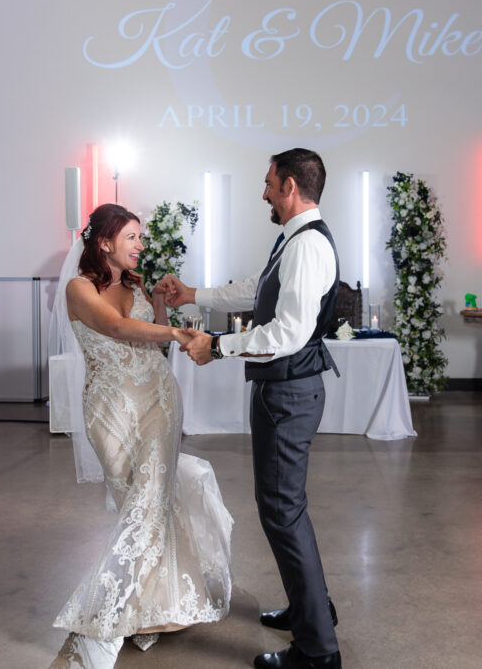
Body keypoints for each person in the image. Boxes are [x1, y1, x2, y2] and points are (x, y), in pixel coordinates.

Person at [156, 148, 342, 669]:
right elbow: (257, 291)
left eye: (267, 183)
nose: (262, 192)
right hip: (282, 391)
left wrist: (216, 346)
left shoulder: (307, 246)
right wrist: (195, 293)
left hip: (288, 394)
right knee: (286, 512)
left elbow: (287, 333)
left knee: (283, 514)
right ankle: (314, 611)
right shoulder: (296, 239)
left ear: (288, 186)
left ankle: (318, 651)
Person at [49, 203, 234, 668]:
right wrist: (175, 330)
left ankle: (117, 614)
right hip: (110, 412)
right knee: (135, 499)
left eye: (141, 237)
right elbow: (112, 326)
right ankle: (148, 604)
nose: (140, 245)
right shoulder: (78, 288)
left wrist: (159, 301)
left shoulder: (134, 285)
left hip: (157, 402)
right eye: (132, 236)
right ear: (105, 242)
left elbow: (146, 336)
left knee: (152, 499)